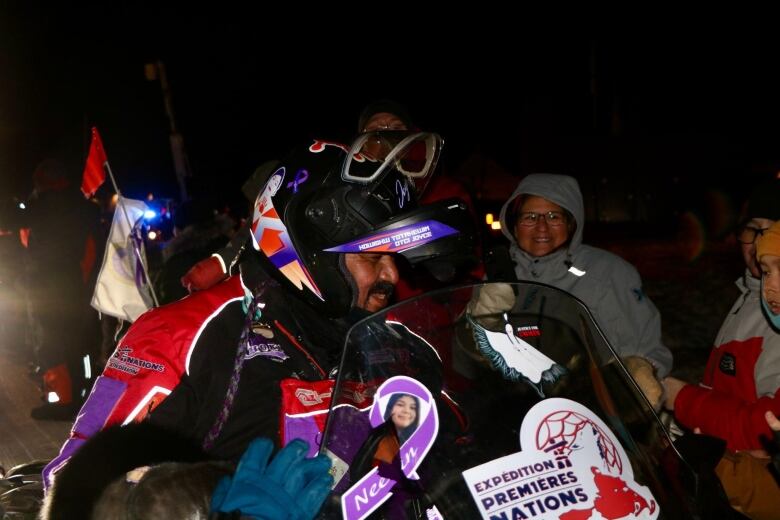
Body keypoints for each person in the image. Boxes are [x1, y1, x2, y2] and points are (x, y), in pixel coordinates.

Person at [42, 133, 472, 516]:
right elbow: (74, 490)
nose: (392, 276)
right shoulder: (183, 335)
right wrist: (218, 506)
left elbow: (466, 449)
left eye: (394, 258)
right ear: (312, 251)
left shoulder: (396, 337)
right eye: (372, 256)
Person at [480, 174, 672, 400]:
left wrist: (640, 371)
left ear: (571, 222)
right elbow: (471, 362)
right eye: (530, 217)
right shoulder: (498, 275)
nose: (542, 227)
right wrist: (481, 319)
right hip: (515, 407)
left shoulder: (608, 272)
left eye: (554, 216)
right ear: (513, 224)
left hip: (592, 406)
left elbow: (644, 349)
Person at [22, 159, 102, 419]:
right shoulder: (84, 207)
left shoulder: (46, 205)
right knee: (79, 342)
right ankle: (83, 394)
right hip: (75, 283)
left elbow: (21, 227)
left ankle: (63, 402)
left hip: (53, 284)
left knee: (53, 341)